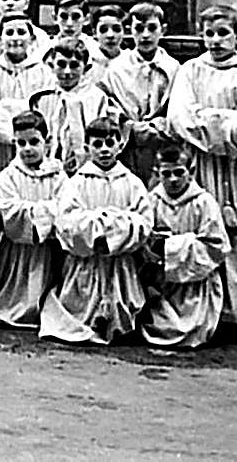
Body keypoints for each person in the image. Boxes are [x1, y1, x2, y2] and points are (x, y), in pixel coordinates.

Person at [39, 116, 152, 345]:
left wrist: (113, 232)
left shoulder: (132, 183)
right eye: (97, 144)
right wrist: (95, 233)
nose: (104, 150)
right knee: (80, 310)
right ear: (87, 147)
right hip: (87, 261)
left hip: (119, 262)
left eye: (110, 143)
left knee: (124, 309)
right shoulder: (76, 183)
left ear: (120, 145)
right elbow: (66, 221)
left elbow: (144, 221)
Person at [167, 3, 237, 321]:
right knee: (206, 229)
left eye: (223, 33)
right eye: (209, 33)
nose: (215, 40)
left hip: (234, 165)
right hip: (201, 162)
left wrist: (209, 119)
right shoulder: (190, 70)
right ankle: (209, 310)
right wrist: (226, 125)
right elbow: (181, 118)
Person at [140, 143, 230, 349]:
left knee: (193, 327)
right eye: (166, 174)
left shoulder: (204, 203)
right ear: (157, 173)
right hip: (163, 283)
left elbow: (216, 246)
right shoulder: (152, 201)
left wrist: (171, 246)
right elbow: (143, 239)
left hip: (195, 284)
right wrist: (152, 249)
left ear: (191, 172)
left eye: (179, 172)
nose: (173, 179)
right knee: (157, 322)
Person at [0, 110, 67, 329]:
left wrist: (35, 212)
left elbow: (65, 207)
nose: (28, 148)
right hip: (17, 250)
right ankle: (12, 306)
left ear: (47, 143)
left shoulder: (58, 176)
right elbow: (10, 210)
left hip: (47, 249)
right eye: (21, 143)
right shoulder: (8, 176)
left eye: (34, 142)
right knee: (16, 289)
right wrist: (45, 212)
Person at [98, 2, 179, 186]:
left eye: (152, 28)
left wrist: (159, 125)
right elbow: (106, 104)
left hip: (161, 143)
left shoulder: (173, 68)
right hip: (127, 145)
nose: (145, 35)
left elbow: (178, 106)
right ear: (130, 30)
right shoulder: (116, 68)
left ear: (163, 30)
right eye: (139, 28)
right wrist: (130, 126)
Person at [0, 13, 57, 176]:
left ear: (32, 38)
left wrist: (7, 107)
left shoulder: (44, 73)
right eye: (9, 33)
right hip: (0, 145)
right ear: (0, 38)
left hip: (34, 142)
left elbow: (47, 109)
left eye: (21, 32)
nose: (15, 38)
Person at [31, 38, 114, 176]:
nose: (67, 72)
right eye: (61, 64)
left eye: (74, 65)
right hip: (47, 168)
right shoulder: (41, 98)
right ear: (52, 65)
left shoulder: (96, 97)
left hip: (87, 168)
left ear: (85, 68)